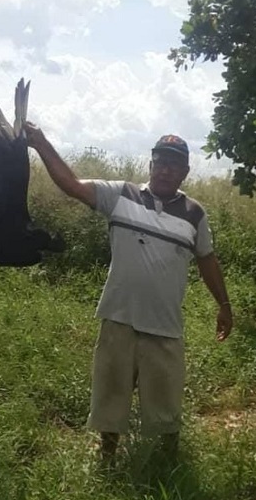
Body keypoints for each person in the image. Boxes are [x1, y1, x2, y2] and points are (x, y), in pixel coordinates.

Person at [23, 122, 233, 464]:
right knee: (111, 395)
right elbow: (72, 186)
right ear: (149, 165)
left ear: (185, 172)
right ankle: (107, 457)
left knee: (166, 401)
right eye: (160, 162)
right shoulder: (121, 195)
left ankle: (167, 464)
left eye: (174, 165)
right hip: (119, 317)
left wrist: (224, 305)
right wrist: (41, 144)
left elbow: (207, 259)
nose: (166, 170)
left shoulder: (195, 215)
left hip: (165, 326)